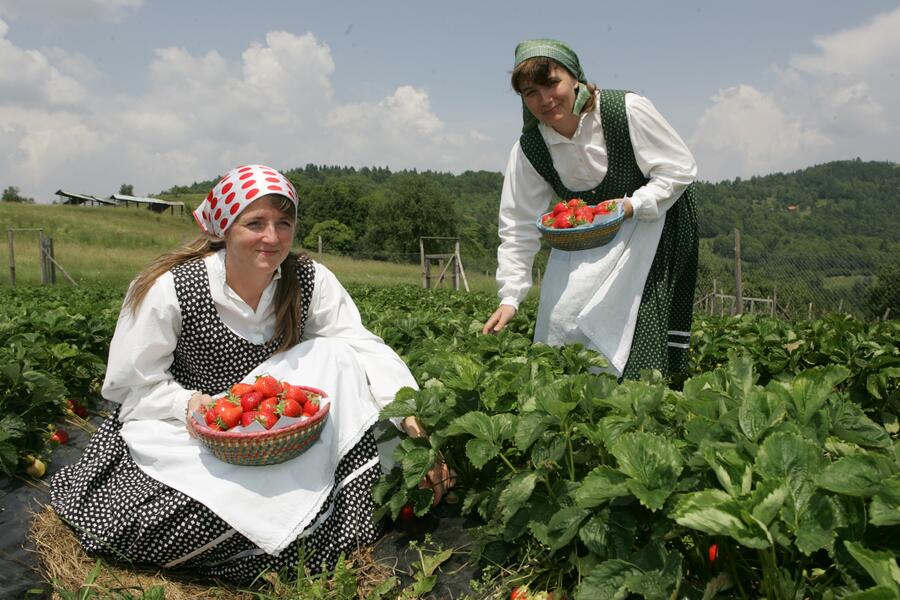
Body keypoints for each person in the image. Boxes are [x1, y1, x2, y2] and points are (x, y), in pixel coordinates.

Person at [50, 164, 453, 583]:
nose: (273, 237)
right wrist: (190, 403)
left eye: (284, 223)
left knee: (337, 354)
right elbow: (132, 388)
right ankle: (290, 522)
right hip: (189, 427)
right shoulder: (171, 289)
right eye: (255, 223)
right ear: (224, 227)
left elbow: (360, 344)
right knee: (184, 519)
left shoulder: (307, 279)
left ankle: (299, 517)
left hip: (281, 426)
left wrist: (411, 420)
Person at [482, 39, 699, 381]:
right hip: (587, 239)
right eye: (530, 93)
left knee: (636, 324)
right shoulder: (531, 148)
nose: (545, 99)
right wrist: (510, 297)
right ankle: (578, 403)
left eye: (552, 83)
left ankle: (641, 407)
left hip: (650, 226)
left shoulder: (624, 110)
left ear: (575, 78)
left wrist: (632, 205)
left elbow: (679, 168)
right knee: (561, 317)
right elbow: (518, 226)